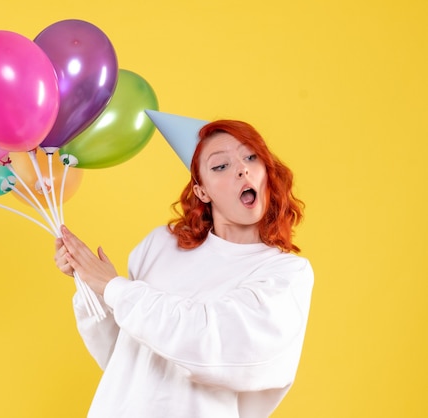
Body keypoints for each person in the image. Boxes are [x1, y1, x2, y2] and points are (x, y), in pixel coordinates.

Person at [54, 119, 314, 418]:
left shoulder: (285, 274)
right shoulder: (161, 244)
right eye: (221, 166)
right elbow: (123, 354)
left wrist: (113, 288)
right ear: (202, 191)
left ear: (266, 173)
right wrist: (90, 283)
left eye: (251, 157)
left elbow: (211, 343)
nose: (242, 168)